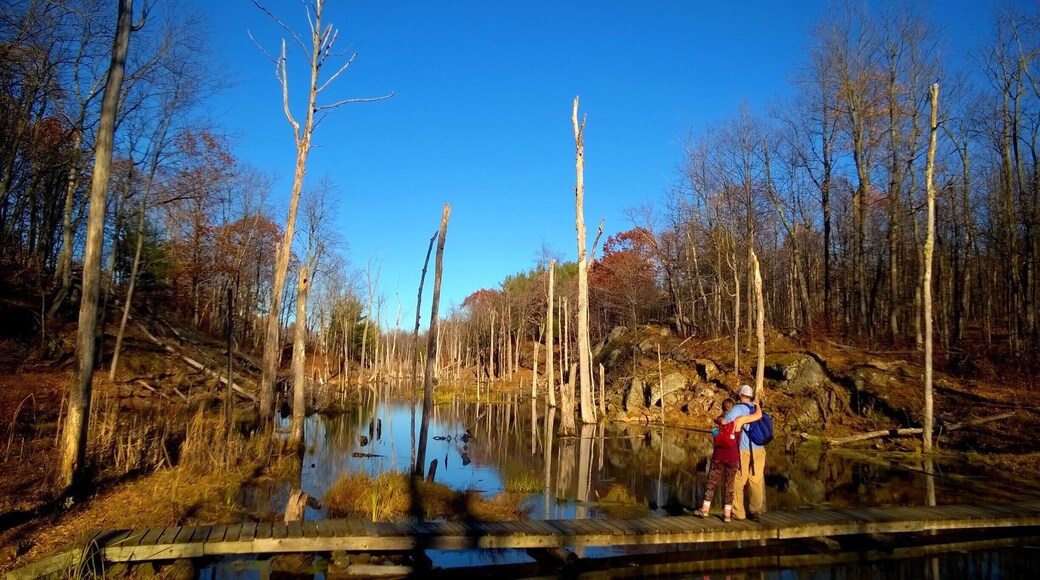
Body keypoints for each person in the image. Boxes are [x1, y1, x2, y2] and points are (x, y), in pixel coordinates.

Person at [693, 397, 762, 522]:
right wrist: (757, 405)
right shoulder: (738, 421)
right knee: (729, 485)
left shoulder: (720, 421)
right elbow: (757, 416)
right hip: (733, 457)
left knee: (711, 483)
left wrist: (714, 431)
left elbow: (716, 436)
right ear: (734, 408)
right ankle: (727, 515)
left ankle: (704, 510)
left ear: (723, 408)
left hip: (718, 456)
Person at [725, 384, 766, 521]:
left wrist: (718, 420)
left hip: (744, 450)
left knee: (739, 480)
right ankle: (755, 511)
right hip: (760, 449)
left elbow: (726, 421)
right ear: (751, 396)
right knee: (756, 480)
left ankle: (738, 512)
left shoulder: (738, 408)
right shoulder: (756, 408)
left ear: (740, 395)